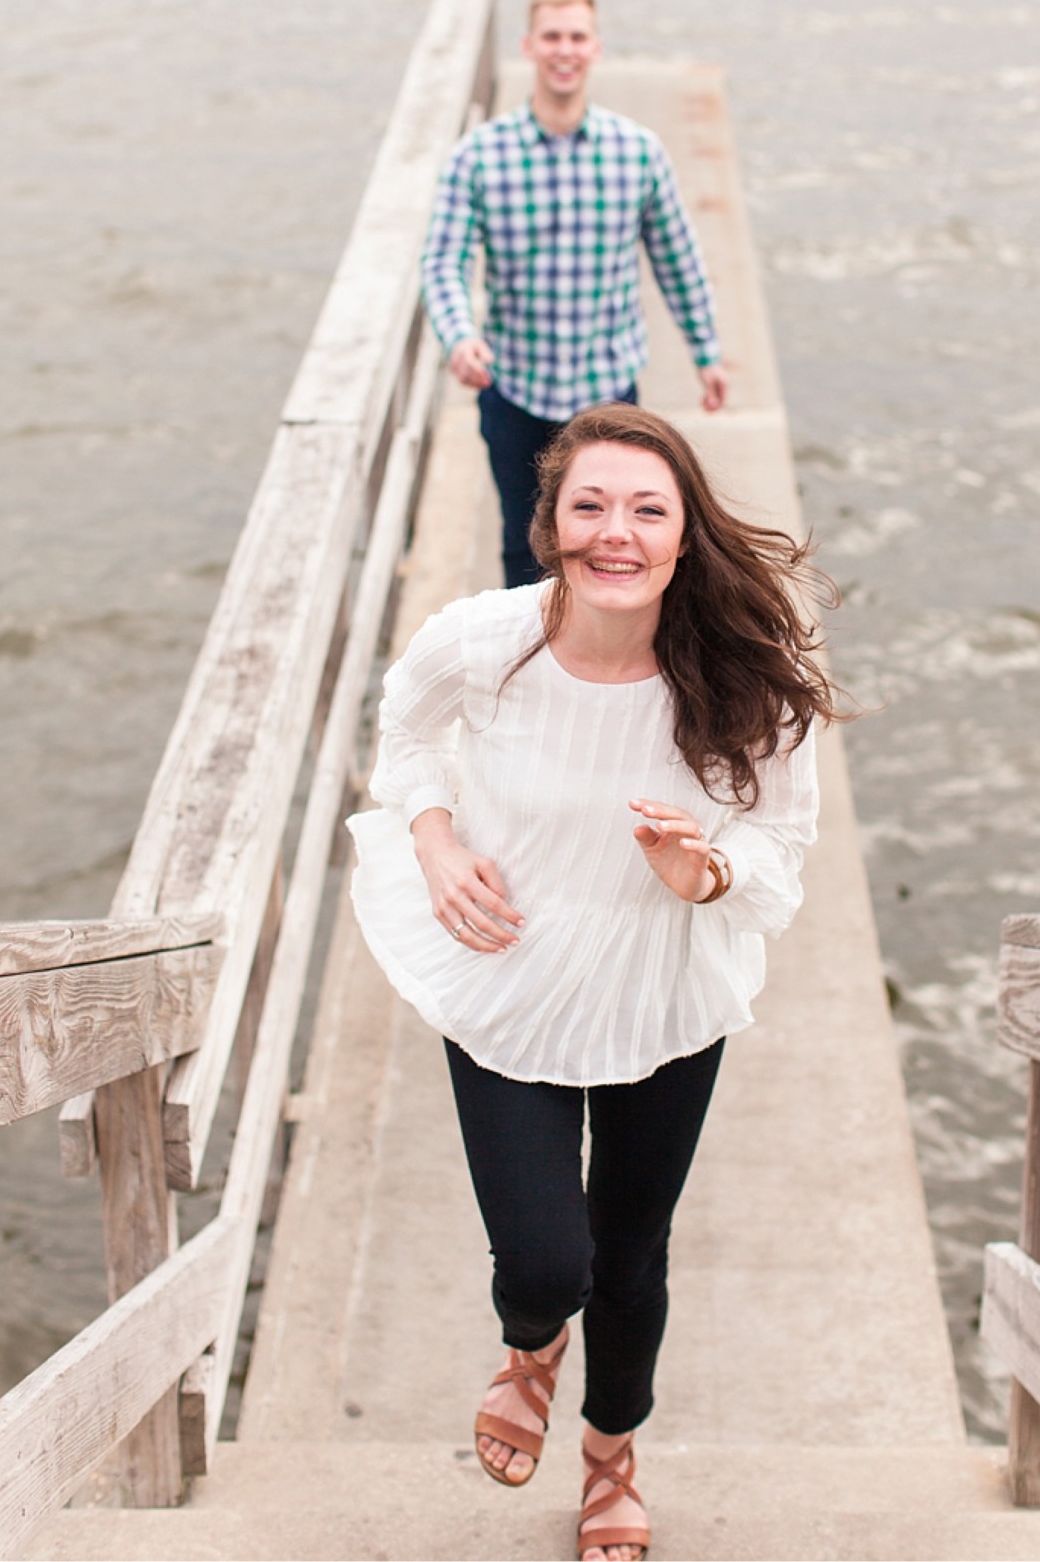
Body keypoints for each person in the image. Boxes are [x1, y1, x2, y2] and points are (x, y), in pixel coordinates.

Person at [348, 403, 844, 1562]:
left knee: (628, 1258)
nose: (615, 532)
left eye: (646, 509)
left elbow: (782, 843)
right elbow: (405, 733)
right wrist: (431, 838)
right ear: (548, 526)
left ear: (683, 536)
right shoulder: (479, 640)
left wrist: (703, 866)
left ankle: (610, 1454)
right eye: (589, 506)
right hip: (503, 964)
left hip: (661, 982)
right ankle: (530, 1342)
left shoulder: (742, 676)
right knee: (544, 1262)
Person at [421, 0, 730, 589]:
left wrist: (707, 352)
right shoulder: (479, 156)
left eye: (577, 37)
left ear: (595, 48)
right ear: (529, 46)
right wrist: (458, 337)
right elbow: (443, 261)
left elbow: (677, 258)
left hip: (607, 393)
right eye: (553, 37)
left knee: (611, 549)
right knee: (524, 545)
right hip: (514, 388)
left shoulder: (637, 152)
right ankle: (530, 669)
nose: (565, 50)